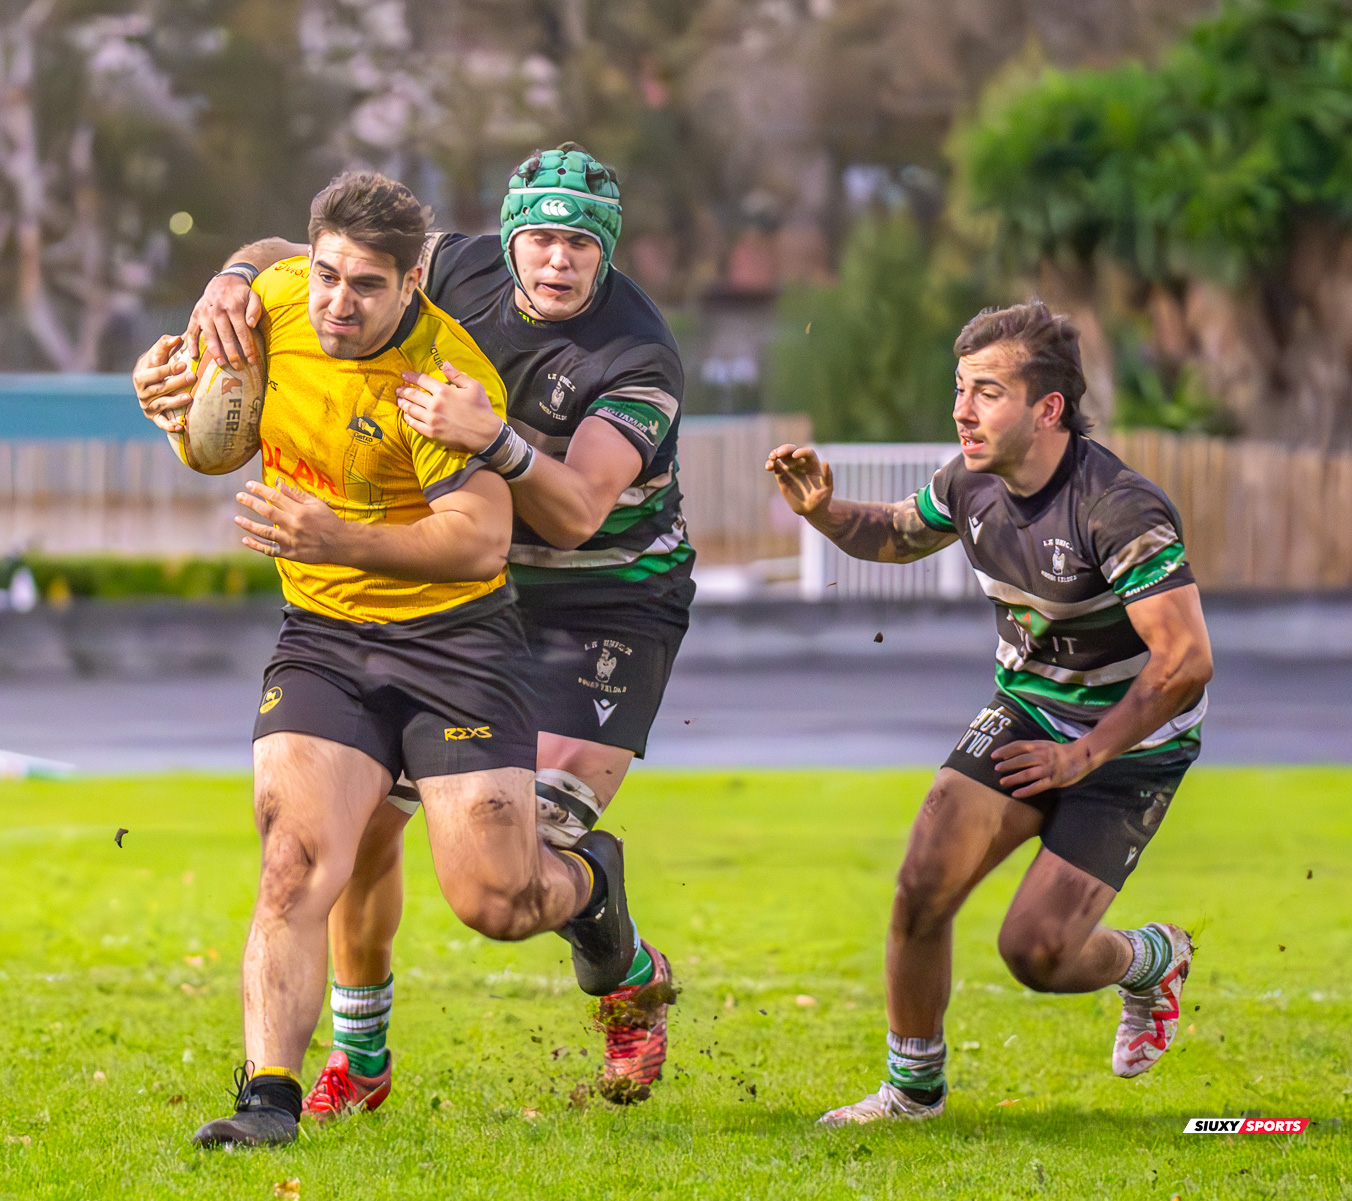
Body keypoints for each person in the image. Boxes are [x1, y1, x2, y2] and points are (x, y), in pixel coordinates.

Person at [137, 143, 690, 1111]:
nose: (557, 260)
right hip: (465, 587)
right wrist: (228, 282)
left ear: (607, 252)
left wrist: (495, 439)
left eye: (580, 245)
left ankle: (616, 943)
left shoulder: (634, 356)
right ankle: (360, 1057)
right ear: (509, 239)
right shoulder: (448, 266)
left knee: (511, 873)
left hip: (605, 600)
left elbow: (574, 513)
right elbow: (297, 255)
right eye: (541, 238)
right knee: (352, 834)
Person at [765, 301, 1213, 1126]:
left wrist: (1083, 756)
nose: (962, 410)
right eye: (960, 388)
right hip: (1028, 712)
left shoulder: (1118, 508)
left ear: (1048, 408)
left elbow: (1185, 662)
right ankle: (912, 1093)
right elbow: (896, 534)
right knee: (921, 885)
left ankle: (1152, 959)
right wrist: (825, 512)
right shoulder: (969, 481)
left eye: (987, 392)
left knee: (1036, 953)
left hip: (1132, 747)